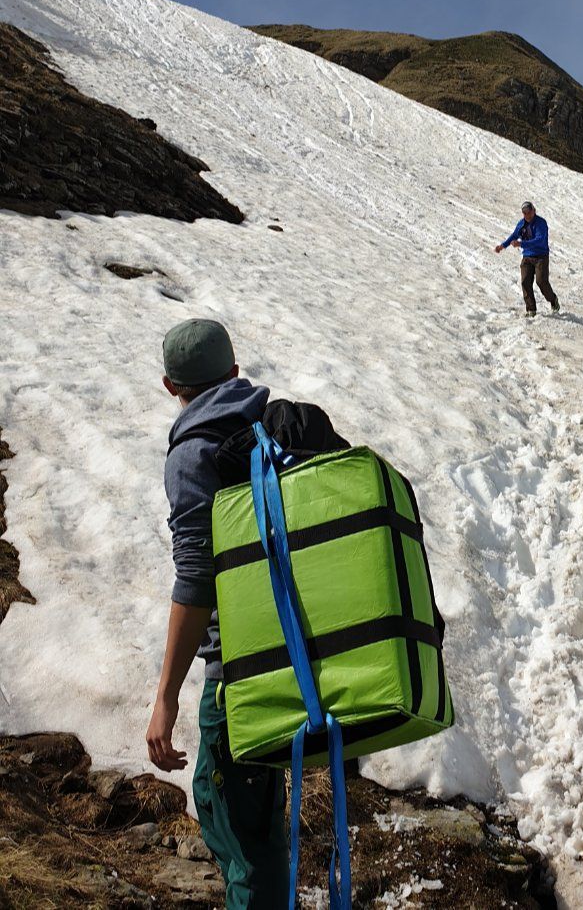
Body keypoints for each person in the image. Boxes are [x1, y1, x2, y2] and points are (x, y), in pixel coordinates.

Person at [146, 317, 347, 909]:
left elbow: (196, 580)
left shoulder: (194, 454)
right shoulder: (272, 423)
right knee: (254, 822)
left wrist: (164, 697)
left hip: (236, 679)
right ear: (234, 372)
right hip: (301, 657)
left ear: (169, 386)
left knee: (235, 829)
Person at [494, 200, 560, 316]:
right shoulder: (521, 223)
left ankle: (553, 300)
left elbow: (539, 240)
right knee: (525, 281)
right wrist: (502, 246)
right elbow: (514, 236)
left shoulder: (541, 223)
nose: (527, 215)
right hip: (527, 257)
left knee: (541, 282)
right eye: (524, 213)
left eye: (529, 212)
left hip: (541, 257)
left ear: (534, 211)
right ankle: (531, 310)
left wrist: (521, 244)